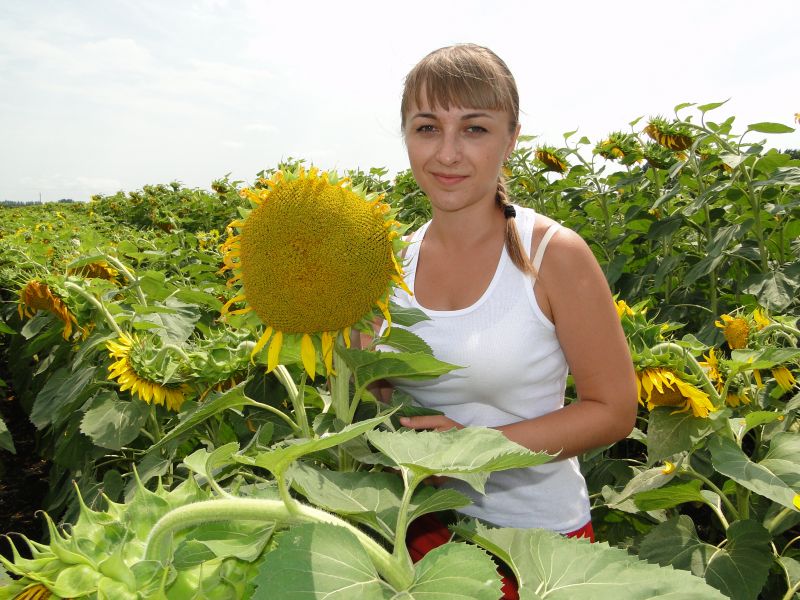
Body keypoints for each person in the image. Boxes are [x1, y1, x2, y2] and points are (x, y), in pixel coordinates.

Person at [377, 43, 638, 597]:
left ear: (512, 137)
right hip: (417, 537)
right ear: (405, 136)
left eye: (474, 129)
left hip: (534, 551)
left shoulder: (552, 254)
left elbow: (614, 411)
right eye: (427, 128)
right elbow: (383, 403)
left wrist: (475, 449)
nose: (447, 153)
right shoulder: (389, 263)